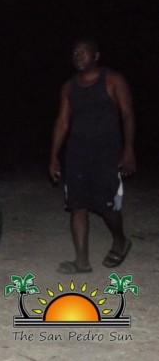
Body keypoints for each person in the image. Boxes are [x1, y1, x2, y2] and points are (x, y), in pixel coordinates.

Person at [49, 39, 136, 274]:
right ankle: (81, 262)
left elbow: (127, 115)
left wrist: (128, 150)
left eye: (83, 52)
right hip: (76, 154)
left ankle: (120, 240)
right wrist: (54, 156)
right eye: (75, 52)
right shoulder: (68, 87)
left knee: (107, 206)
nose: (78, 55)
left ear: (96, 56)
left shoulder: (113, 80)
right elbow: (62, 122)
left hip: (106, 153)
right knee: (77, 205)